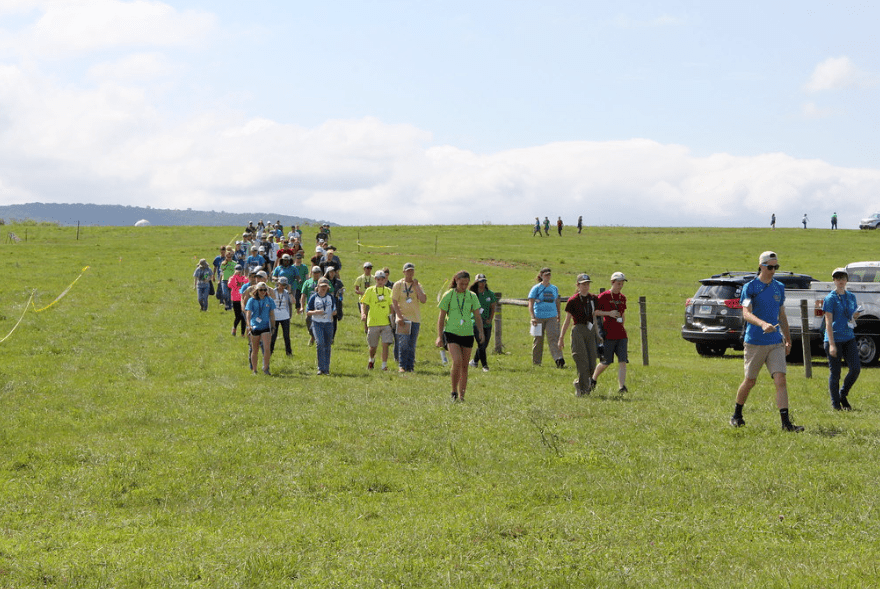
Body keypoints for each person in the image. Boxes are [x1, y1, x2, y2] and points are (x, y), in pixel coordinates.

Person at [730, 251, 804, 432]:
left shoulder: (779, 286)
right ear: (761, 266)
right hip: (755, 341)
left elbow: (782, 314)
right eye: (770, 267)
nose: (773, 270)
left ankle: (786, 423)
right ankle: (737, 415)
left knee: (781, 379)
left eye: (776, 267)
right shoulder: (751, 287)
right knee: (750, 381)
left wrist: (788, 339)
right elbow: (746, 313)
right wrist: (762, 324)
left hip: (775, 341)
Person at [436, 271, 484, 401]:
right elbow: (441, 318)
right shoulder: (449, 295)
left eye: (466, 284)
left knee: (464, 366)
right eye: (462, 283)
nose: (464, 286)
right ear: (456, 280)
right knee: (457, 361)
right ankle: (453, 392)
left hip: (467, 334)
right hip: (451, 333)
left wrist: (481, 331)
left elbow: (477, 316)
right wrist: (439, 336)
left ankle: (462, 395)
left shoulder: (472, 296)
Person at [823, 268, 863, 410]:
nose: (840, 281)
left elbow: (850, 315)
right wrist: (832, 344)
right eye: (837, 278)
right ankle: (836, 405)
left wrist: (855, 315)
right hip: (833, 339)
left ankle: (842, 394)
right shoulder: (830, 298)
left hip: (849, 337)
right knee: (835, 373)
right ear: (834, 280)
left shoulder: (851, 296)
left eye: (843, 278)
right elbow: (828, 322)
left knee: (855, 369)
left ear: (846, 280)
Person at [558, 274, 600, 396]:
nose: (586, 287)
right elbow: (567, 320)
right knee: (582, 361)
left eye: (587, 284)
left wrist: (598, 334)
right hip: (578, 330)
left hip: (590, 331)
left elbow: (594, 317)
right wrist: (561, 338)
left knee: (592, 363)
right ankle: (583, 390)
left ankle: (579, 383)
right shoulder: (573, 301)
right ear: (578, 285)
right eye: (583, 284)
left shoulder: (593, 299)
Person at [592, 272, 629, 393]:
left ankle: (621, 387)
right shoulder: (603, 296)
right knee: (606, 362)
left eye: (622, 283)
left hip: (621, 334)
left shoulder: (623, 298)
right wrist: (609, 313)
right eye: (618, 283)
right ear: (612, 282)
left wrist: (622, 324)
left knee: (623, 361)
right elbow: (595, 312)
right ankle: (593, 379)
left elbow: (623, 313)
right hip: (608, 334)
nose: (620, 286)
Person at [392, 262, 427, 373]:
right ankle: (402, 366)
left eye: (412, 271)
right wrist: (399, 316)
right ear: (404, 272)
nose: (410, 273)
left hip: (415, 319)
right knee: (403, 343)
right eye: (408, 271)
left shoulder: (417, 285)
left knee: (412, 344)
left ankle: (410, 366)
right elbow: (394, 301)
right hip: (404, 318)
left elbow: (423, 300)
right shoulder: (398, 285)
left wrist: (416, 286)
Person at [528, 267, 565, 368]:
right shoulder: (536, 288)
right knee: (538, 340)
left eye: (549, 275)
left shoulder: (554, 288)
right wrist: (533, 317)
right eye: (545, 275)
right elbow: (530, 303)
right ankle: (536, 362)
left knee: (553, 338)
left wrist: (558, 314)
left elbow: (557, 301)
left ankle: (558, 359)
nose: (547, 277)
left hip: (551, 317)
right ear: (541, 276)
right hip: (538, 317)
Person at [360, 270, 394, 370]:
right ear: (375, 279)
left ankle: (384, 365)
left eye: (382, 279)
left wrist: (392, 316)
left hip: (386, 322)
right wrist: (363, 314)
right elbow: (364, 303)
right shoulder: (370, 290)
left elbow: (391, 305)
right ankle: (371, 359)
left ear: (385, 279)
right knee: (373, 346)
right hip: (373, 322)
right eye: (378, 279)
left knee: (385, 345)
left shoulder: (388, 291)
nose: (380, 281)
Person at [307, 277, 337, 375]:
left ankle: (326, 368)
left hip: (328, 323)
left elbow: (334, 308)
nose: (323, 288)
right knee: (320, 343)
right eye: (322, 286)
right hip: (317, 323)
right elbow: (308, 312)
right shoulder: (313, 297)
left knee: (327, 345)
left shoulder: (330, 297)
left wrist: (334, 312)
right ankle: (320, 368)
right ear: (318, 287)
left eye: (325, 287)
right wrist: (315, 312)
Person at [245, 282, 276, 376]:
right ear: (257, 290)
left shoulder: (269, 300)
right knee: (255, 349)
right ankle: (254, 370)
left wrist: (273, 326)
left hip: (266, 326)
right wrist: (248, 325)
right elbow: (248, 314)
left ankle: (266, 368)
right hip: (255, 326)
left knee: (267, 348)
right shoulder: (252, 300)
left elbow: (272, 314)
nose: (263, 292)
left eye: (265, 290)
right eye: (261, 290)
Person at [469, 274, 497, 372]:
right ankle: (485, 366)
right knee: (481, 342)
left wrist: (490, 318)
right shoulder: (472, 294)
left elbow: (493, 307)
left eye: (484, 281)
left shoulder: (490, 294)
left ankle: (475, 361)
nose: (483, 283)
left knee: (485, 344)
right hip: (475, 322)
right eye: (481, 281)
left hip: (487, 322)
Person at [270, 277, 294, 356]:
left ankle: (289, 352)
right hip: (275, 316)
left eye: (284, 285)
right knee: (273, 335)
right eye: (281, 284)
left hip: (285, 316)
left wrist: (290, 292)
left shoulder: (287, 293)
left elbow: (293, 301)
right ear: (278, 283)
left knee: (286, 335)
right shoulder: (272, 292)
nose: (282, 287)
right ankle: (270, 351)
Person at [228, 264, 248, 337]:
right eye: (237, 270)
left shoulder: (244, 278)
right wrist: (234, 276)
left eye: (240, 271)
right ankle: (234, 328)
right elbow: (229, 285)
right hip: (235, 299)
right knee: (238, 316)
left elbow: (247, 284)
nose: (238, 272)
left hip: (243, 299)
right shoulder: (232, 278)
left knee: (243, 317)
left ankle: (242, 333)